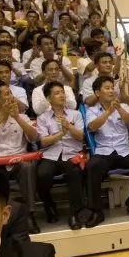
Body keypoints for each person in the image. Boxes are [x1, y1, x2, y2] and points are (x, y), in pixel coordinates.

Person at [86, 76, 129, 223]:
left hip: (124, 151)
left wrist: (117, 109)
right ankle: (97, 211)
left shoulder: (122, 107)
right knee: (92, 167)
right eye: (107, 88)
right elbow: (92, 127)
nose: (111, 91)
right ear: (98, 93)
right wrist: (108, 111)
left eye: (112, 88)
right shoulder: (92, 110)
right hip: (104, 152)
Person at [0, 81, 40, 233]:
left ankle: (30, 214)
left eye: (11, 93)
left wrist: (16, 117)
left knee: (28, 167)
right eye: (7, 94)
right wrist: (2, 116)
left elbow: (33, 137)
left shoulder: (23, 117)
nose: (12, 97)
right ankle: (0, 220)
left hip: (19, 160)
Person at [36, 81, 86, 230]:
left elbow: (81, 137)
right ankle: (49, 205)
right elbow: (43, 141)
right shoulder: (42, 118)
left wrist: (69, 127)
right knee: (41, 175)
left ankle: (74, 214)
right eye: (56, 93)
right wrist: (60, 135)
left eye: (62, 92)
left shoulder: (75, 114)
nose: (61, 95)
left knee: (75, 173)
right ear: (49, 98)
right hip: (51, 154)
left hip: (72, 153)